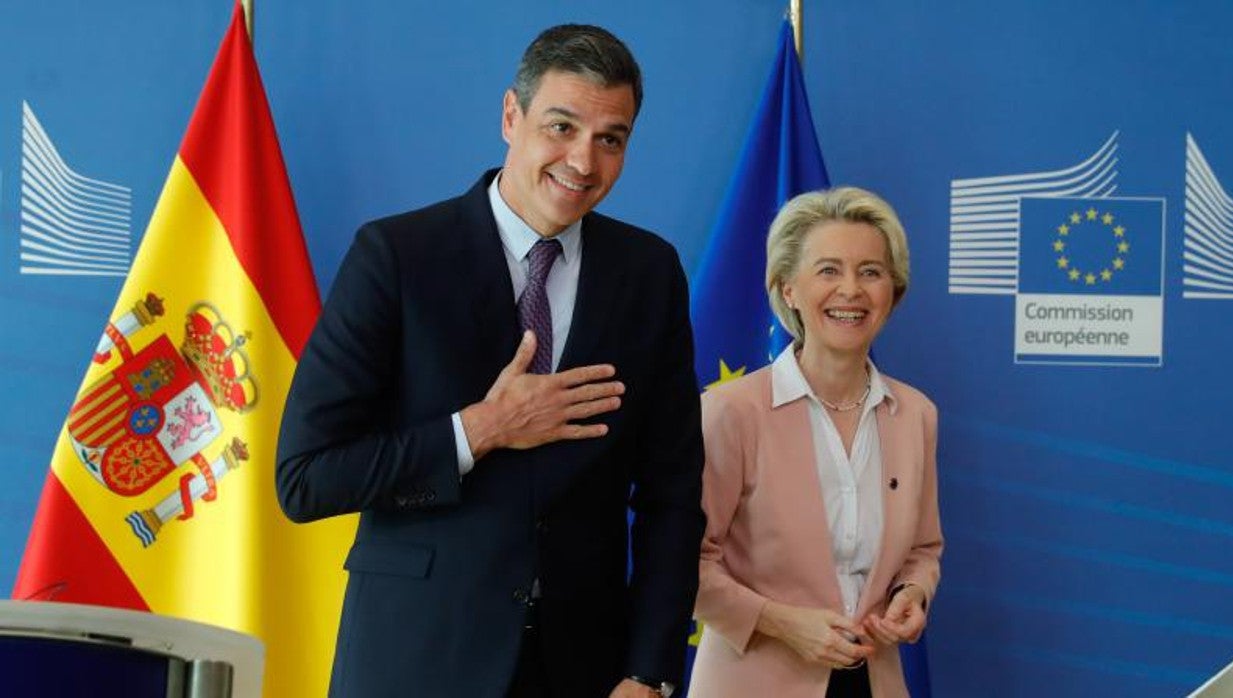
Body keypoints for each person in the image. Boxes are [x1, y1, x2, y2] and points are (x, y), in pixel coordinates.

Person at [276, 24, 704, 698]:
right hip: (416, 659)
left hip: (585, 668)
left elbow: (673, 496)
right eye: (561, 127)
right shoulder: (397, 257)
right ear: (512, 116)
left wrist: (648, 670)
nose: (583, 162)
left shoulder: (648, 273)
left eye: (610, 140)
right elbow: (305, 478)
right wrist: (479, 431)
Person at [688, 187, 943, 698]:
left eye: (870, 272)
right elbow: (683, 562)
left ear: (892, 290)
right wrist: (781, 622)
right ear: (787, 289)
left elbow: (923, 548)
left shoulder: (915, 414)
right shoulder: (731, 411)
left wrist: (912, 594)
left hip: (874, 680)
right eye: (828, 270)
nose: (851, 290)